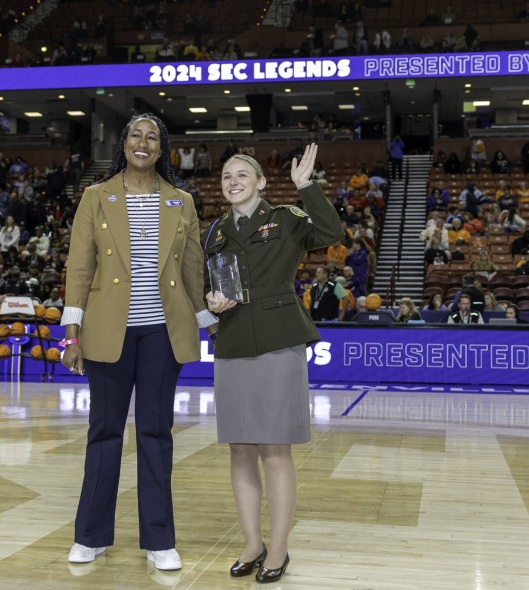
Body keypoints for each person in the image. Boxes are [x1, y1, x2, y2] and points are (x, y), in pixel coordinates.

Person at [60, 113, 213, 570]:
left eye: (152, 137)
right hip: (108, 331)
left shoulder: (181, 201)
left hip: (162, 334)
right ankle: (90, 535)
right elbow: (79, 270)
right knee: (103, 433)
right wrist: (72, 333)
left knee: (155, 434)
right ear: (123, 144)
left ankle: (159, 540)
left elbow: (192, 272)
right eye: (135, 136)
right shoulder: (95, 197)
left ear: (162, 148)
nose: (143, 143)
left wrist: (210, 326)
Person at [203, 144, 343, 584]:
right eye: (227, 175)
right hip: (231, 342)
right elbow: (205, 288)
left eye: (243, 174)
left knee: (275, 451)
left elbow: (331, 231)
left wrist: (307, 187)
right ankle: (252, 544)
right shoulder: (216, 233)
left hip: (279, 340)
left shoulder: (286, 218)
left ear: (262, 182)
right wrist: (210, 305)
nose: (234, 181)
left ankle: (278, 550)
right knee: (240, 449)